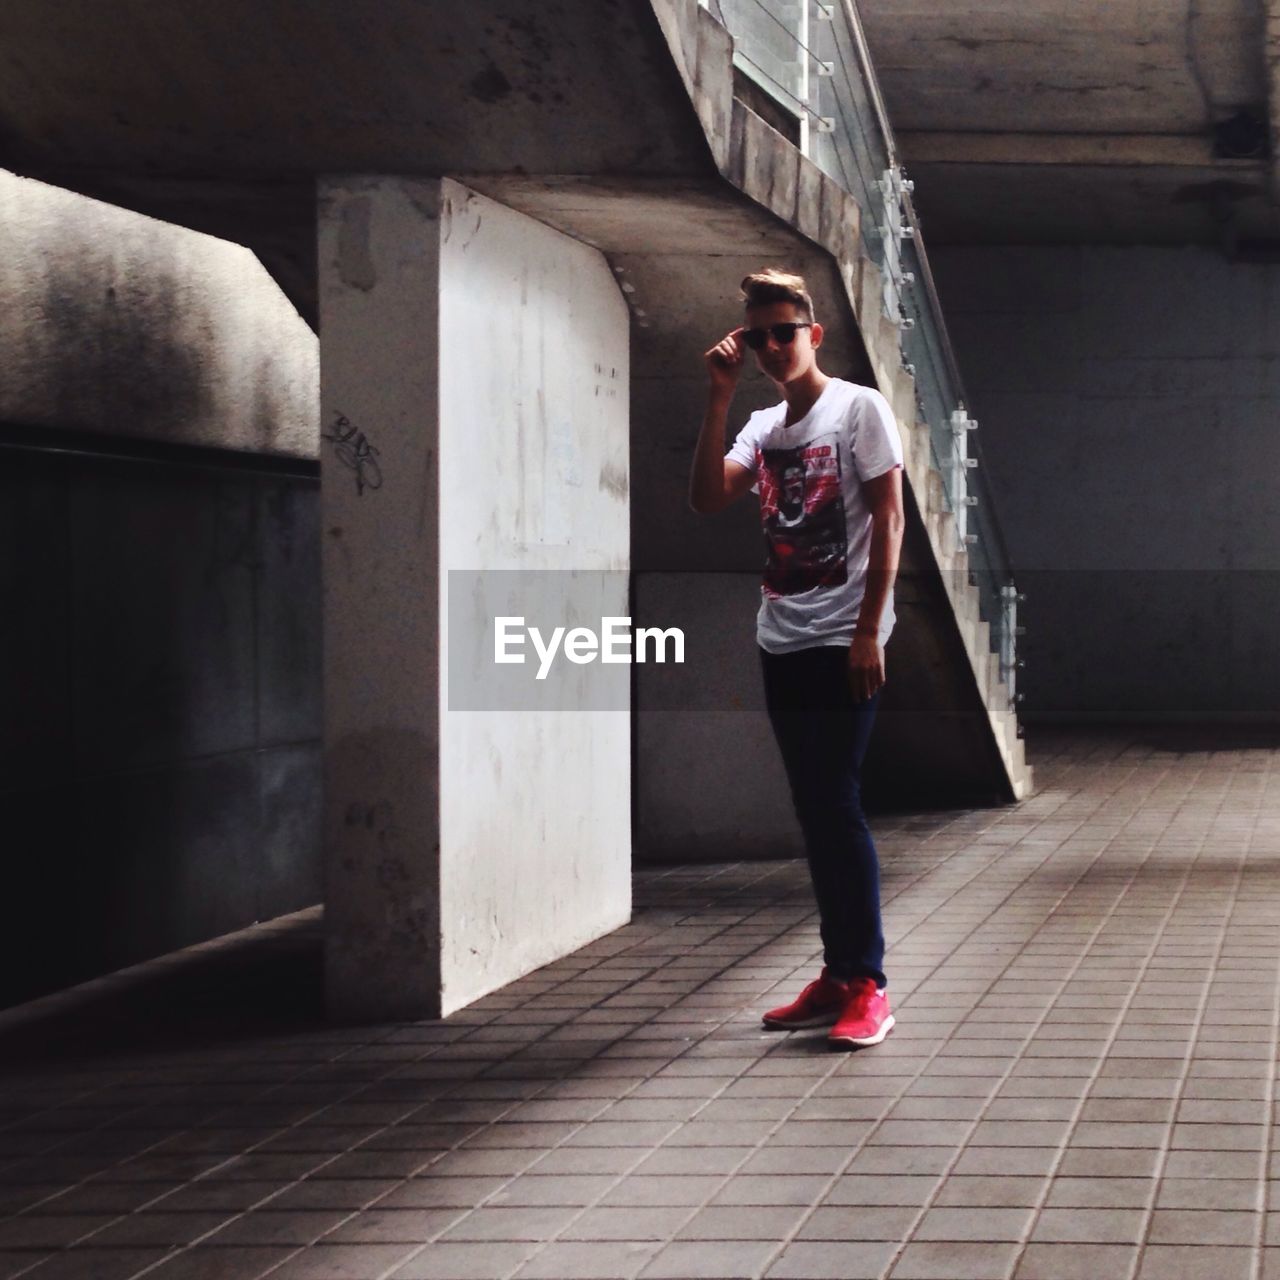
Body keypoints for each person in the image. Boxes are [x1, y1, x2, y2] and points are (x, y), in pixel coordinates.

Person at [688, 268, 905, 1049]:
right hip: (781, 636)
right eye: (759, 335)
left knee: (837, 802)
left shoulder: (858, 408)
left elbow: (889, 520)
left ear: (814, 335)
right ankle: (839, 972)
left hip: (844, 636)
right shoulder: (761, 424)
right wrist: (717, 397)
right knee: (814, 808)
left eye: (787, 331)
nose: (774, 346)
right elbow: (709, 497)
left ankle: (868, 984)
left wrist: (868, 630)